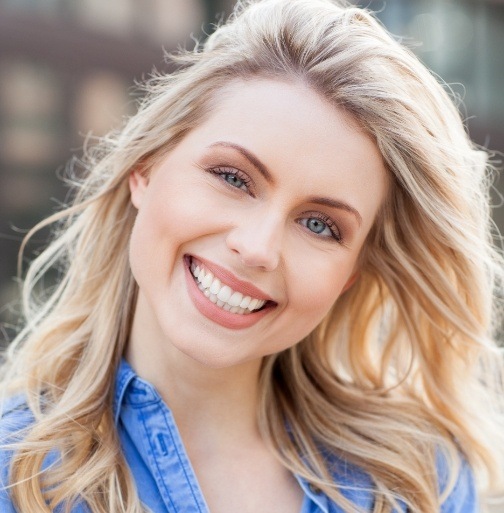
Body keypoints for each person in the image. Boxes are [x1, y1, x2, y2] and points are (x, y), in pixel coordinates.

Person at [1, 0, 503, 511]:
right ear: (146, 168)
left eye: (319, 225)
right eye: (233, 177)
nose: (258, 248)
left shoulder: (417, 483)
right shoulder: (14, 477)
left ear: (349, 274)